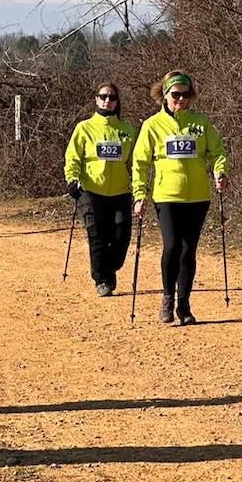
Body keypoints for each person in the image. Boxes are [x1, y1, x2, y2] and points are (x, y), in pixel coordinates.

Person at [131, 71, 229, 325]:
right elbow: (140, 163)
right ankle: (167, 298)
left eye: (186, 95)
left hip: (197, 197)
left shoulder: (201, 122)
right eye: (176, 94)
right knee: (172, 247)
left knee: (188, 251)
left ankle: (184, 304)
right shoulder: (152, 125)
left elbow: (217, 150)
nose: (181, 100)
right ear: (164, 94)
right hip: (167, 196)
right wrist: (139, 195)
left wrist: (220, 171)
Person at [65, 82, 137, 296]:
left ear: (117, 101)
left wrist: (139, 184)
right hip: (91, 191)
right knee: (96, 235)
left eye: (112, 97)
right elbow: (72, 157)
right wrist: (72, 179)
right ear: (96, 99)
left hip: (120, 192)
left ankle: (110, 267)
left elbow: (135, 161)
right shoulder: (84, 128)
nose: (108, 100)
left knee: (120, 235)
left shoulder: (127, 130)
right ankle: (102, 279)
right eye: (103, 96)